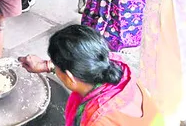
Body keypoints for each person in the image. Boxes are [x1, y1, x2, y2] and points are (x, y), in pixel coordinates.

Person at [19, 25, 164, 126]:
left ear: (70, 77)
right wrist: (46, 65)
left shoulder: (97, 118)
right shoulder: (117, 68)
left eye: (57, 67)